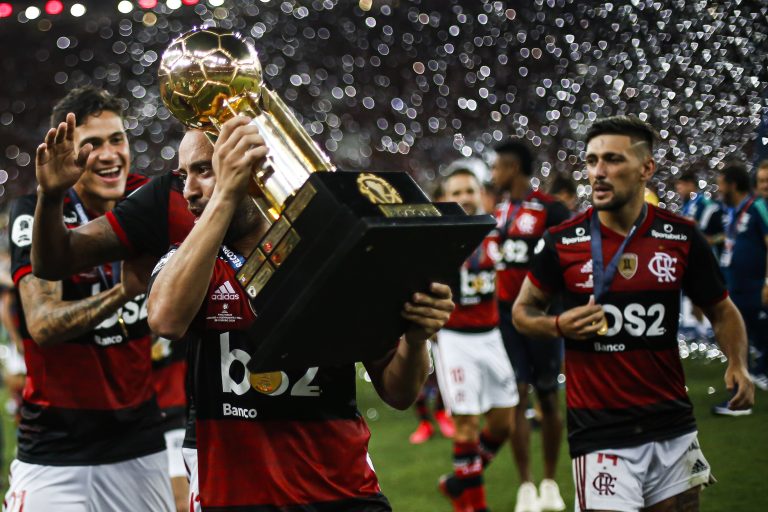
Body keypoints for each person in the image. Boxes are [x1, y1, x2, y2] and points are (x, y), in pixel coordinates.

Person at [145, 115, 455, 510]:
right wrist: (223, 193)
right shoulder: (187, 261)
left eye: (204, 170)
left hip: (342, 496)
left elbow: (399, 392)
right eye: (183, 175)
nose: (188, 190)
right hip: (237, 499)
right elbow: (165, 320)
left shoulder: (331, 255)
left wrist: (415, 338)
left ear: (253, 167)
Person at [512, 115, 754, 511]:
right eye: (591, 161)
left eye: (612, 160)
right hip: (600, 431)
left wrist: (737, 363)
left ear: (646, 168)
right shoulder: (563, 241)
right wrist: (557, 324)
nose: (598, 173)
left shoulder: (680, 236)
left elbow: (722, 310)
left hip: (672, 426)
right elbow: (522, 312)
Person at [5, 87, 174, 511]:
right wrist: (122, 293)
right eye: (92, 144)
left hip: (140, 444)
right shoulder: (37, 212)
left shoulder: (148, 200)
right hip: (56, 449)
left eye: (117, 139)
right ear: (67, 155)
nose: (109, 154)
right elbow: (43, 324)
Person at [490, 138, 570, 512]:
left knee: (548, 396)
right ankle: (526, 486)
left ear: (514, 168)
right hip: (505, 315)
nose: (493, 174)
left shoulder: (550, 209)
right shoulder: (499, 210)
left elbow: (568, 260)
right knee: (517, 398)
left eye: (498, 167)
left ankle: (551, 481)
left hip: (541, 314)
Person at [434, 167, 519, 512]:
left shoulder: (495, 232)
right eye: (456, 192)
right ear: (442, 200)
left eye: (470, 190)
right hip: (454, 338)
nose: (465, 197)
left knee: (503, 423)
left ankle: (459, 482)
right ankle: (473, 505)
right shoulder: (434, 237)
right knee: (466, 424)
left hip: (492, 334)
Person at [716, 162, 768, 395]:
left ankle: (749, 381)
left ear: (732, 185)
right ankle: (747, 380)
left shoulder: (758, 208)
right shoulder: (733, 211)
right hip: (737, 285)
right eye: (761, 182)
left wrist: (767, 282)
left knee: (755, 333)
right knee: (744, 334)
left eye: (720, 186)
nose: (718, 191)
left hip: (756, 286)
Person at [675, 170, 725, 342]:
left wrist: (708, 239)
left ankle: (711, 330)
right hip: (690, 260)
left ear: (691, 184)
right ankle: (701, 329)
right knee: (693, 297)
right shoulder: (687, 206)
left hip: (706, 260)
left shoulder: (703, 204)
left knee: (708, 297)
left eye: (681, 185)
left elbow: (718, 231)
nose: (679, 189)